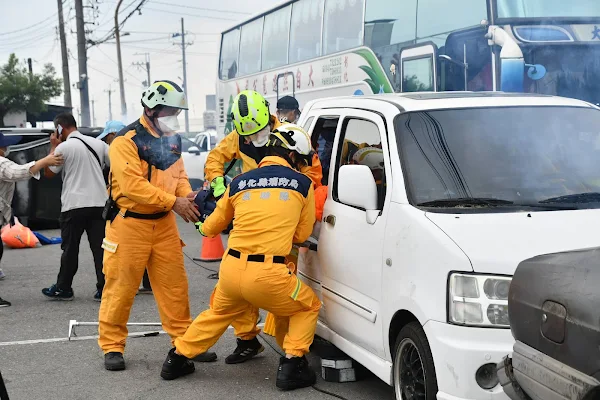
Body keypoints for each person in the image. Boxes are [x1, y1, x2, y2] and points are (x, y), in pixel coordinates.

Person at [160, 124, 320, 391]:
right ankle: (292, 363)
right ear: (293, 156)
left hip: (232, 270)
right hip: (270, 274)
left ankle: (176, 358)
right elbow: (301, 233)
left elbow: (212, 226)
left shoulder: (240, 181)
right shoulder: (304, 184)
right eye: (301, 162)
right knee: (308, 306)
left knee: (217, 314)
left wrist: (202, 225)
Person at [97, 80, 215, 371]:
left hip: (163, 226)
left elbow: (179, 174)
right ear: (151, 109)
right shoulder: (125, 141)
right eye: (169, 111)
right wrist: (174, 203)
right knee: (120, 287)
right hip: (129, 225)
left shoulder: (172, 138)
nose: (173, 116)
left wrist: (186, 194)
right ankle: (112, 346)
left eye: (176, 111)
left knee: (175, 286)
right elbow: (132, 186)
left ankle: (184, 342)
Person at [203, 90, 322, 364]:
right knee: (241, 283)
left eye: (257, 133)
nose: (252, 140)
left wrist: (294, 195)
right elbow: (215, 159)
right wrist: (218, 182)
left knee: (281, 286)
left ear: (269, 120)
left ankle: (290, 349)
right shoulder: (240, 137)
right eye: (247, 136)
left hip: (281, 221)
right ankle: (247, 339)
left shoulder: (290, 136)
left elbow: (312, 173)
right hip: (250, 218)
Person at [41, 113, 109, 302]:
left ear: (60, 128)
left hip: (74, 205)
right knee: (101, 249)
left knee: (70, 248)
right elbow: (114, 167)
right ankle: (104, 288)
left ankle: (64, 288)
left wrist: (53, 146)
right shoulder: (99, 144)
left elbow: (48, 172)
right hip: (98, 203)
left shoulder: (63, 147)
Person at [0, 133, 63, 307]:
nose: (6, 149)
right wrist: (44, 162)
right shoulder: (1, 162)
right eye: (3, 145)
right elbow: (18, 172)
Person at [98, 120, 153, 295]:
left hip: (126, 211)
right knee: (144, 248)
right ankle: (147, 282)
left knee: (126, 251)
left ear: (113, 134)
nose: (108, 142)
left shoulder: (122, 150)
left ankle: (131, 285)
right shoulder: (141, 148)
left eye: (108, 138)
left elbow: (128, 186)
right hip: (143, 209)